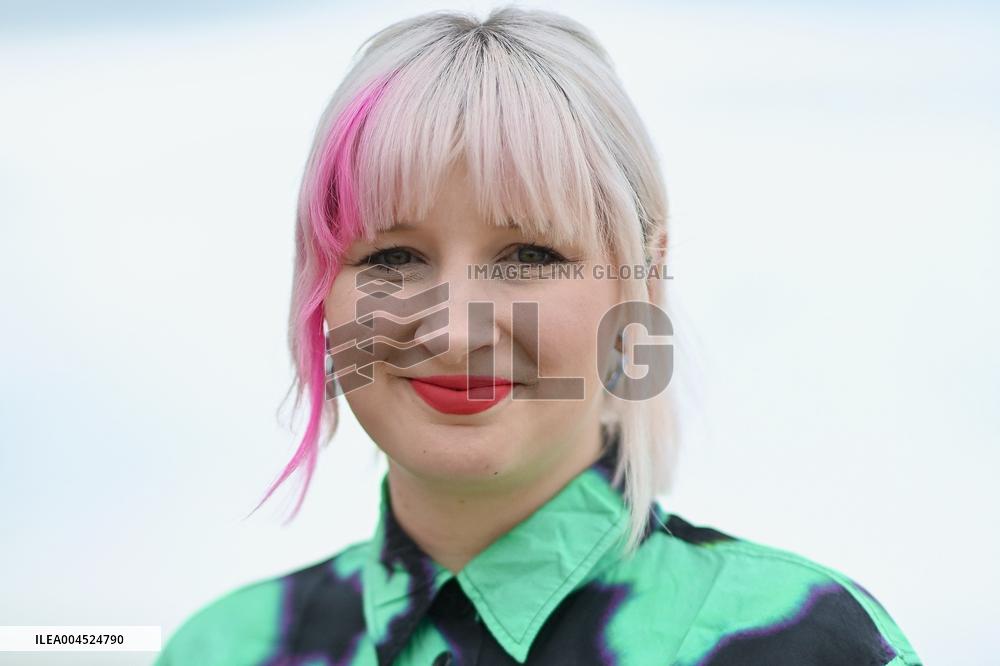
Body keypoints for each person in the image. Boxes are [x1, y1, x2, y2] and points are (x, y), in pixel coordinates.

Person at [157, 6, 922, 665]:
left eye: (529, 256)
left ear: (640, 281)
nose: (454, 330)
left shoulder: (801, 645)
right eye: (392, 257)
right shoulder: (222, 649)